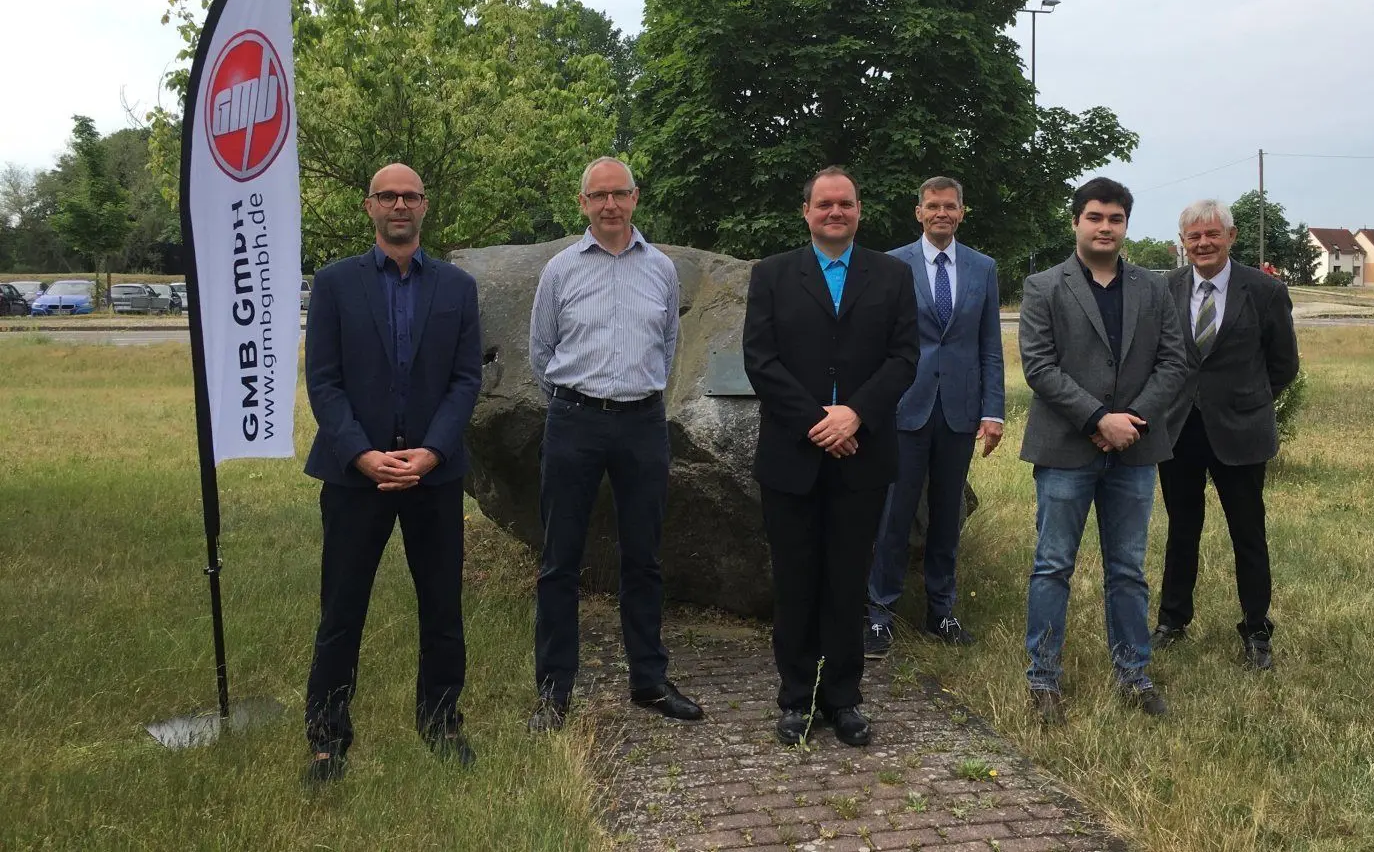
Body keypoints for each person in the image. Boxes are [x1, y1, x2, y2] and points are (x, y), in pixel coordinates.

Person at [302, 163, 482, 783]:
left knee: (441, 607)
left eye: (410, 196)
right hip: (357, 476)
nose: (399, 205)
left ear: (425, 206)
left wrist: (432, 451)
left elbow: (466, 380)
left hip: (432, 476)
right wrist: (360, 452)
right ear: (369, 206)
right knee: (342, 609)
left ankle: (441, 721)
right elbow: (323, 381)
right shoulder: (334, 284)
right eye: (388, 196)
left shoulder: (457, 288)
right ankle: (327, 737)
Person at [742, 167, 919, 747]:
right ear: (807, 211)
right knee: (795, 580)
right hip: (794, 453)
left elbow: (903, 358)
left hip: (862, 454)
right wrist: (819, 420)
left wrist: (856, 415)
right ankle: (796, 699)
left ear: (858, 210)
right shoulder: (771, 275)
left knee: (847, 581)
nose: (834, 212)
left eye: (845, 203)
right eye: (824, 204)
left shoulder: (892, 276)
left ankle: (843, 698)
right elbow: (761, 360)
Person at [526, 157, 703, 732]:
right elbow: (540, 353)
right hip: (574, 419)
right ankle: (554, 692)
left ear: (635, 198)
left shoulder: (662, 270)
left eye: (619, 194)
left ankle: (648, 680)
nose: (609, 205)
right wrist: (580, 399)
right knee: (560, 561)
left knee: (644, 558)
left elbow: (667, 346)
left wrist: (635, 395)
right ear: (582, 204)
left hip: (642, 423)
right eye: (598, 196)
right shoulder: (559, 270)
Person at [1018, 176, 1188, 726]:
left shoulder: (1153, 288)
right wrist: (1097, 418)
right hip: (1066, 449)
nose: (1105, 227)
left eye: (1115, 219)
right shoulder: (1044, 286)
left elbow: (1174, 363)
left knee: (1128, 569)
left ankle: (1134, 675)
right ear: (1076, 222)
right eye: (1095, 217)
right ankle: (1043, 680)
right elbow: (1040, 367)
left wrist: (1129, 423)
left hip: (1134, 452)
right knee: (1052, 566)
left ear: (1126, 226)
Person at [1151, 199, 1299, 670]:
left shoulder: (1265, 291)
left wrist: (1246, 400)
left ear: (1231, 237)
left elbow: (1283, 365)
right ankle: (1173, 621)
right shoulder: (1165, 290)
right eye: (1193, 236)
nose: (1203, 243)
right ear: (1182, 243)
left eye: (1212, 234)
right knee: (1181, 530)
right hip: (1179, 432)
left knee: (1248, 533)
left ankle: (1256, 629)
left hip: (1241, 432)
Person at [865, 176, 1005, 659]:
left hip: (960, 412)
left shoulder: (982, 268)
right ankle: (878, 612)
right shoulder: (891, 264)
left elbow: (990, 346)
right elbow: (878, 344)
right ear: (918, 212)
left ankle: (941, 611)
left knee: (947, 516)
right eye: (932, 206)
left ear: (962, 212)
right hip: (904, 409)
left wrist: (994, 412)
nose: (941, 213)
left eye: (950, 206)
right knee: (894, 515)